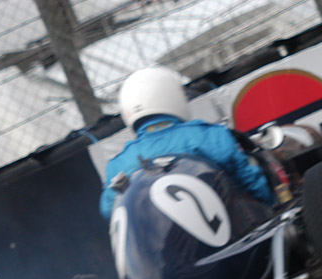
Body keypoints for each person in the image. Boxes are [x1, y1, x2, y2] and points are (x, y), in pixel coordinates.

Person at [99, 66, 275, 220]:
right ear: (173, 96)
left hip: (162, 252)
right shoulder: (209, 135)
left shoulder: (117, 166)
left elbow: (109, 211)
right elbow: (257, 188)